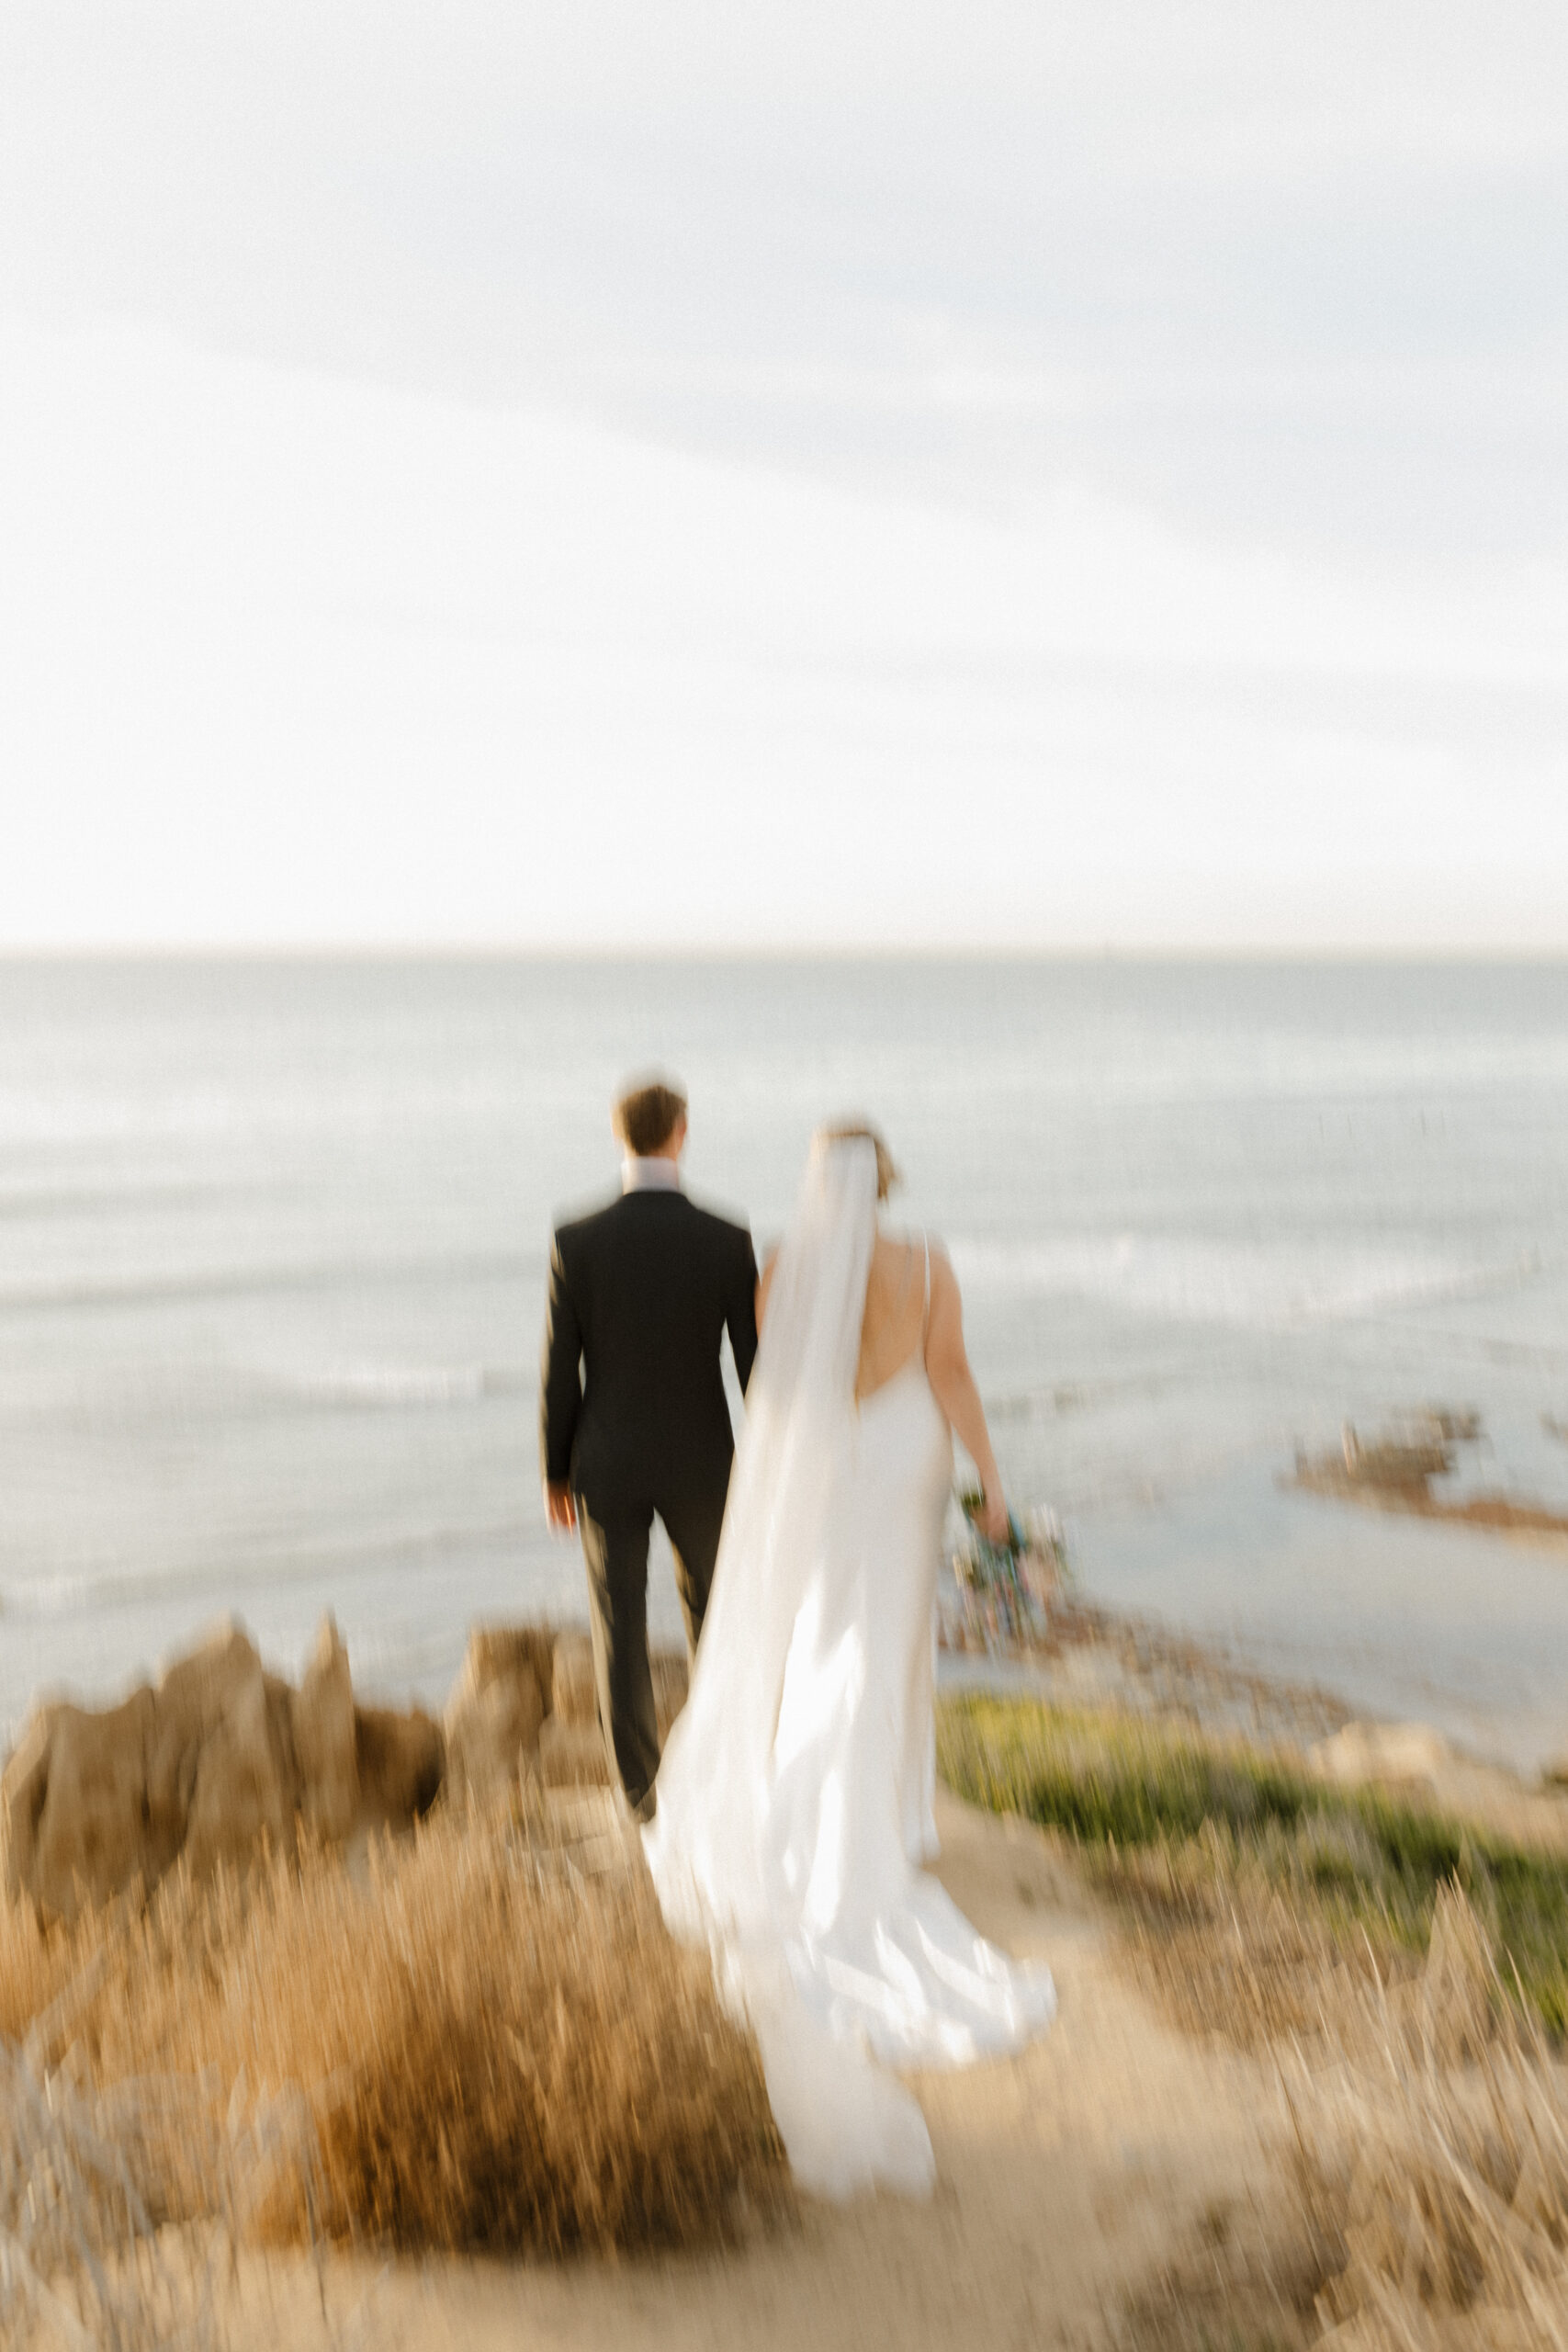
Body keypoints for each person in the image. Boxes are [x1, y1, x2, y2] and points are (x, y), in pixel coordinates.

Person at [644, 1122, 1056, 2199]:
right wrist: (995, 1481)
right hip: (910, 1455)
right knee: (885, 1647)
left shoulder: (784, 1267)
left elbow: (776, 1396)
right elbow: (953, 1371)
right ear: (890, 1181)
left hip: (830, 1470)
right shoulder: (926, 1261)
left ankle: (818, 1819)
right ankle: (879, 1825)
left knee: (825, 1644)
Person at [539, 1076, 759, 1821]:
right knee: (715, 1618)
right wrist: (765, 1465)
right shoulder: (727, 1239)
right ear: (681, 1131)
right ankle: (724, 1770)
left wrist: (554, 1470)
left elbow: (557, 1371)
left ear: (618, 1135)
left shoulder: (576, 1239)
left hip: (607, 1463)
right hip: (704, 1461)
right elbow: (752, 1366)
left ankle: (641, 1797)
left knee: (618, 1625)